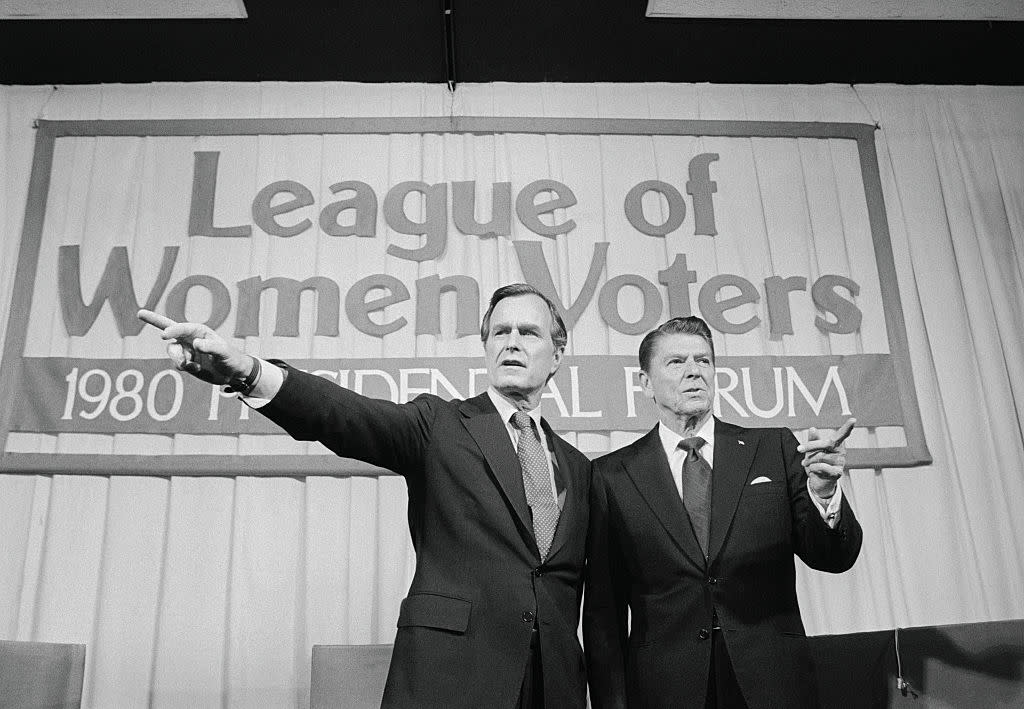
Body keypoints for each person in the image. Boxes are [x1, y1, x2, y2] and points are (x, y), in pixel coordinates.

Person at [138, 283, 591, 709]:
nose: (510, 342)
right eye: (500, 332)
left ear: (556, 356)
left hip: (555, 687)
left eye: (528, 332)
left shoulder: (578, 467)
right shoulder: (440, 426)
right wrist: (251, 371)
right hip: (453, 678)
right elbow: (344, 415)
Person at [583, 316, 863, 709]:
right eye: (676, 362)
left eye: (704, 361)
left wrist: (824, 491)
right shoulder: (612, 476)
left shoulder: (774, 448)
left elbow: (833, 557)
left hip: (772, 684)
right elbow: (604, 615)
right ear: (645, 383)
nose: (694, 372)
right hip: (664, 689)